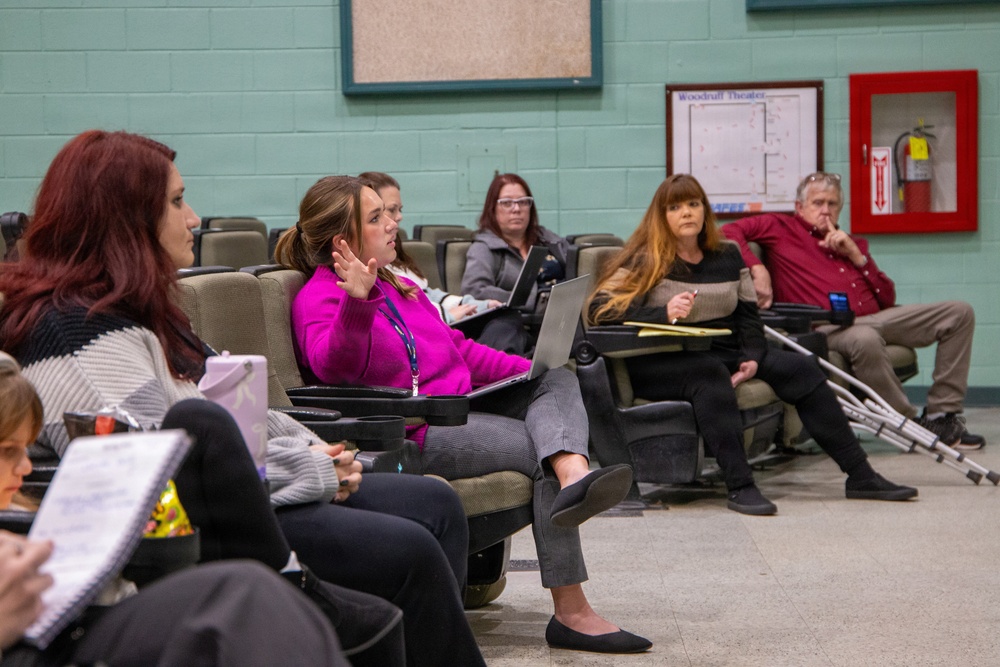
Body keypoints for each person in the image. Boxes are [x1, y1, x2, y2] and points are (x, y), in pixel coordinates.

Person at [0, 130, 483, 667]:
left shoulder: (144, 312)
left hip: (257, 486)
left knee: (436, 506)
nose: (193, 218)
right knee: (410, 552)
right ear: (127, 219)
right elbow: (170, 472)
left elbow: (241, 413)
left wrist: (314, 445)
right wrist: (312, 469)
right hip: (198, 532)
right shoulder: (76, 333)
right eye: (177, 201)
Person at [277, 174, 652, 655]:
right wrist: (357, 302)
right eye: (377, 218)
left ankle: (574, 469)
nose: (393, 224)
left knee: (558, 378)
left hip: (463, 404)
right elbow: (334, 369)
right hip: (419, 428)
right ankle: (572, 611)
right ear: (342, 242)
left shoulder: (395, 284)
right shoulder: (321, 297)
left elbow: (455, 349)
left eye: (388, 213)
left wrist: (528, 372)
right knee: (542, 452)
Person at [588, 174, 919, 515]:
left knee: (801, 367)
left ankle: (861, 476)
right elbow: (598, 309)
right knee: (710, 374)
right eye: (674, 207)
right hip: (658, 359)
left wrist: (753, 358)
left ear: (704, 211)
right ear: (662, 216)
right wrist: (661, 312)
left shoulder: (727, 255)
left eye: (693, 204)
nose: (686, 213)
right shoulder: (646, 258)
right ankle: (740, 486)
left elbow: (748, 318)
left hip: (720, 348)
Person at [0, 351, 350, 667]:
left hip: (81, 619)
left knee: (255, 595)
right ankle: (300, 584)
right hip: (45, 643)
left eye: (25, 449)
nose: (26, 467)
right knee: (247, 595)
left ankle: (300, 586)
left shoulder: (162, 333)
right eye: (7, 451)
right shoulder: (78, 347)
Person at [721, 172, 983, 450]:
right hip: (825, 325)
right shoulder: (779, 226)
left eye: (832, 204)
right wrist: (757, 267)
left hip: (873, 317)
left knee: (959, 313)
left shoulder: (850, 242)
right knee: (864, 337)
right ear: (800, 207)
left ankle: (942, 415)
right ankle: (910, 424)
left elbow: (886, 298)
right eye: (818, 203)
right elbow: (727, 232)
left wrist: (857, 257)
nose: (825, 210)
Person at [358, 171, 529, 354]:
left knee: (506, 319)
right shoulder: (370, 269)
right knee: (505, 325)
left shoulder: (394, 255)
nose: (398, 217)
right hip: (429, 334)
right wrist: (446, 316)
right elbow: (401, 316)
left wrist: (477, 305)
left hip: (440, 322)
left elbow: (426, 293)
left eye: (400, 209)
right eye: (391, 210)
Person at [461, 173, 570, 315]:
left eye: (523, 202)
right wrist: (531, 300)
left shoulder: (547, 238)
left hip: (566, 314)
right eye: (507, 203)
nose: (517, 209)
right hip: (519, 323)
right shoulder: (484, 247)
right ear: (492, 209)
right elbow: (475, 290)